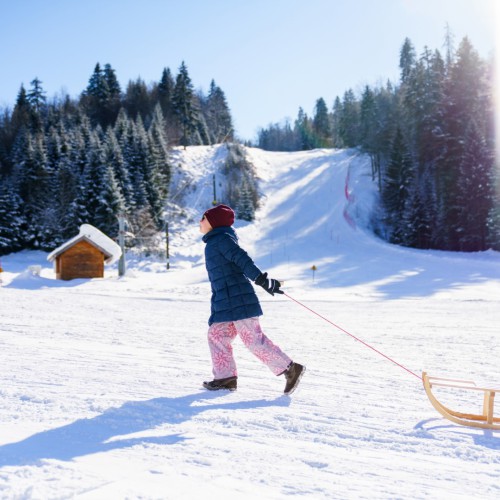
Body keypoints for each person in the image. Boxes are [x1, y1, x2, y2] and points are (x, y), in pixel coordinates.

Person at [199, 204, 305, 395]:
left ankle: (290, 368)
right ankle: (225, 377)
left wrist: (261, 280)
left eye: (203, 218)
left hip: (240, 301)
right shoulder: (214, 242)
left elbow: (242, 259)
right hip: (225, 302)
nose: (200, 222)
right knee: (217, 335)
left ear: (213, 222)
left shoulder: (222, 240)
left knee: (253, 340)